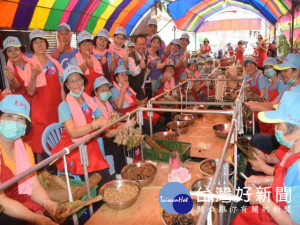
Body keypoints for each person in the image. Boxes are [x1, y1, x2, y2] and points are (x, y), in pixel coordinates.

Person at [232, 91, 300, 225]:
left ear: (297, 130)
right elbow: (287, 182)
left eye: (279, 124)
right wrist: (266, 179)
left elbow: (292, 222)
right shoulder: (293, 149)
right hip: (278, 200)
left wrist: (262, 199)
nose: (275, 129)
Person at [0, 95, 58, 225]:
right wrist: (34, 218)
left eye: (20, 119)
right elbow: (2, 200)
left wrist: (47, 202)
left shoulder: (25, 150)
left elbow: (34, 186)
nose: (15, 122)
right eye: (9, 116)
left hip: (18, 200)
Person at [51, 65, 112, 186]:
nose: (76, 84)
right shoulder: (64, 106)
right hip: (72, 149)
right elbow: (73, 133)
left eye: (78, 79)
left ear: (83, 80)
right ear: (67, 86)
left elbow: (102, 119)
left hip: (90, 144)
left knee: (105, 179)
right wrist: (94, 125)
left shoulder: (91, 101)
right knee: (97, 182)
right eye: (71, 81)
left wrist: (106, 122)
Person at [24, 29, 64, 162]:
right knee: (42, 149)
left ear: (46, 44)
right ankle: (45, 173)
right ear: (32, 47)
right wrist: (34, 75)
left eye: (42, 41)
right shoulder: (29, 66)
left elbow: (61, 86)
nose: (39, 44)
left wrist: (65, 106)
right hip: (40, 114)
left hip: (57, 111)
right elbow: (30, 91)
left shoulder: (55, 63)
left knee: (58, 143)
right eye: (35, 42)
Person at [93, 77, 129, 175]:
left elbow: (115, 122)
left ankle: (127, 165)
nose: (106, 91)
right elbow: (107, 134)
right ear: (96, 93)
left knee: (129, 134)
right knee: (118, 143)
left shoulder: (107, 104)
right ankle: (120, 174)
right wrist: (124, 128)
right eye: (102, 90)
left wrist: (127, 125)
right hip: (98, 141)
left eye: (107, 89)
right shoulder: (96, 107)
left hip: (107, 135)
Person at [110, 65, 159, 134]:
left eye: (126, 75)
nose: (125, 77)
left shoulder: (128, 88)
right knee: (147, 124)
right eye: (122, 75)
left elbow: (135, 101)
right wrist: (123, 90)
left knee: (156, 116)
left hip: (135, 111)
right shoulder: (113, 90)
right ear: (116, 79)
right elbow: (119, 106)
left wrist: (142, 103)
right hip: (126, 116)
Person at [70, 31, 103, 96]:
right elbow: (75, 76)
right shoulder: (74, 60)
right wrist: (86, 64)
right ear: (79, 46)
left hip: (96, 96)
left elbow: (101, 78)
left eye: (89, 44)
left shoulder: (95, 60)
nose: (87, 46)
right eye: (84, 44)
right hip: (81, 96)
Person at [2, 36, 31, 104]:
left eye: (16, 49)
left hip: (37, 100)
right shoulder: (9, 69)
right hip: (21, 104)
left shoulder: (32, 63)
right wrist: (12, 79)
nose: (13, 53)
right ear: (6, 54)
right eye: (9, 51)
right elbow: (17, 88)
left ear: (21, 50)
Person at [128, 34, 150, 100]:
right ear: (135, 45)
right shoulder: (130, 56)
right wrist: (140, 66)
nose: (141, 46)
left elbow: (144, 74)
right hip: (129, 89)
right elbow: (133, 72)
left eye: (143, 44)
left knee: (143, 105)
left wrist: (142, 87)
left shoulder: (145, 57)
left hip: (139, 87)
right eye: (139, 44)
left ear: (146, 45)